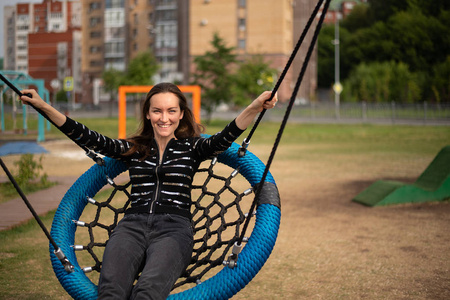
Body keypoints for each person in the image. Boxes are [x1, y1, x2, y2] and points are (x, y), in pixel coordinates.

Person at [20, 82, 278, 300]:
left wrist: (256, 105)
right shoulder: (135, 148)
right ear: (147, 114)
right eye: (157, 111)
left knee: (148, 292)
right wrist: (42, 105)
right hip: (131, 226)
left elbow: (227, 135)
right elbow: (86, 135)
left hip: (174, 230)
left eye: (171, 111)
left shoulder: (193, 148)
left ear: (180, 114)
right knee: (110, 292)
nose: (164, 118)